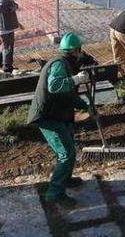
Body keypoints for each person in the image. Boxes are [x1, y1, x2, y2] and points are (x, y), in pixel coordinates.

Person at [27, 32, 93, 207]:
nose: (82, 54)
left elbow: (68, 95)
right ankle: (54, 193)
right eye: (80, 51)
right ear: (76, 51)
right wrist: (76, 79)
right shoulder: (59, 64)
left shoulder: (67, 65)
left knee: (68, 146)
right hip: (48, 116)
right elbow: (55, 87)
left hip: (58, 114)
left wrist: (86, 106)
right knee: (66, 153)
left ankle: (66, 178)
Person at [0, 0, 22, 73]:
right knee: (8, 47)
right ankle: (7, 67)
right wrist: (12, 8)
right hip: (5, 28)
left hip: (7, 27)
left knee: (5, 44)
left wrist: (14, 5)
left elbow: (12, 4)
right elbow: (0, 9)